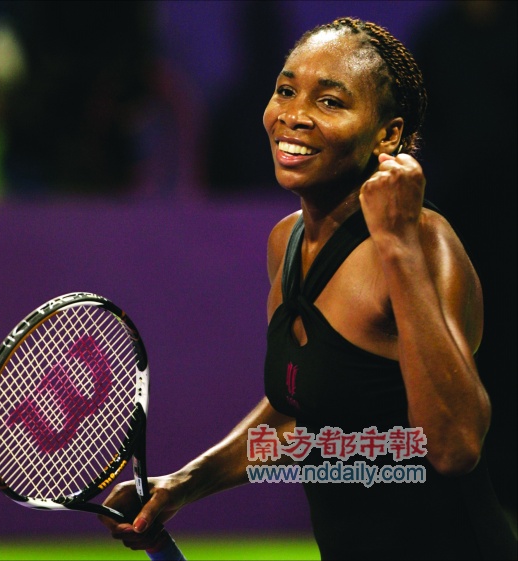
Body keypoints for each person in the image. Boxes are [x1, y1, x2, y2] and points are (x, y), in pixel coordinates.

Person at [99, 18, 517, 560]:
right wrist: (183, 485)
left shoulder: (422, 241)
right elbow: (305, 410)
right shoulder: (286, 242)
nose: (294, 115)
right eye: (286, 90)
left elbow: (456, 446)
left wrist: (398, 249)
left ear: (387, 135)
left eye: (330, 102)